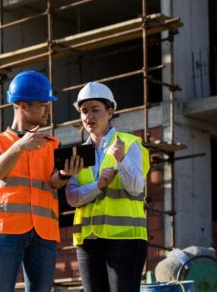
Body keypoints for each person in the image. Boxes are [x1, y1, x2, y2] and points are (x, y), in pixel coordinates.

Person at [0, 71, 84, 292]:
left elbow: (52, 183)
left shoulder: (51, 144)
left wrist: (65, 175)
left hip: (43, 232)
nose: (48, 110)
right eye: (43, 104)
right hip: (7, 229)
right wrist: (19, 146)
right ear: (22, 106)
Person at [65, 82, 149, 292]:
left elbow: (137, 187)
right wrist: (98, 185)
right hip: (88, 241)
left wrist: (121, 159)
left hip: (126, 238)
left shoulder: (129, 144)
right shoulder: (77, 154)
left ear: (110, 112)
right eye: (84, 111)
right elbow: (72, 198)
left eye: (95, 110)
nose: (88, 117)